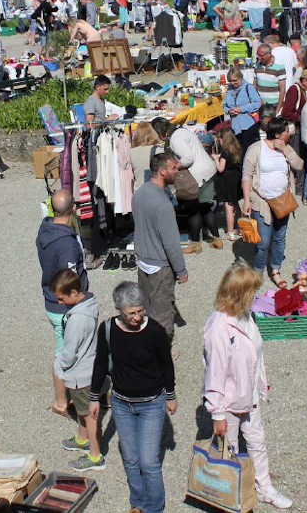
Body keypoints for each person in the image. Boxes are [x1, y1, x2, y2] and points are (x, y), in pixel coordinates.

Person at [202, 262, 294, 510]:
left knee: (257, 442)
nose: (256, 296)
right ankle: (230, 498)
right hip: (230, 403)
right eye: (252, 291)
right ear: (239, 294)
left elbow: (254, 353)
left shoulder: (244, 315)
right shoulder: (219, 328)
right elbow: (215, 376)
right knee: (229, 453)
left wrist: (260, 382)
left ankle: (264, 488)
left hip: (249, 395)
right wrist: (217, 414)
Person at [89, 282, 176, 513]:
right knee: (130, 458)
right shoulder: (107, 330)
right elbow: (99, 363)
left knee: (149, 462)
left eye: (140, 311)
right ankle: (137, 503)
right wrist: (94, 397)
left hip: (151, 403)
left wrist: (171, 395)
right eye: (131, 313)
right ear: (119, 309)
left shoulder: (155, 331)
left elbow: (167, 365)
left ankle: (154, 508)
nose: (137, 317)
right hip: (121, 403)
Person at [38, 190, 89, 417]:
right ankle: (61, 402)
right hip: (64, 307)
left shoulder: (45, 229)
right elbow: (70, 282)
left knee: (68, 350)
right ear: (74, 210)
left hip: (51, 300)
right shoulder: (66, 245)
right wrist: (82, 301)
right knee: (65, 354)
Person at [51, 269, 105, 472]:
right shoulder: (89, 304)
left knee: (89, 415)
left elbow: (70, 351)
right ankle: (82, 439)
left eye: (61, 298)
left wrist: (59, 365)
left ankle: (95, 455)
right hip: (88, 368)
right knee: (82, 410)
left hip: (81, 374)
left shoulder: (77, 320)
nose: (59, 302)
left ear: (74, 293)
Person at [132, 153, 189, 340]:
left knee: (146, 307)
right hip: (160, 266)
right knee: (163, 312)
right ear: (163, 171)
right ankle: (161, 352)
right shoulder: (163, 204)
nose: (177, 170)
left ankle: (145, 342)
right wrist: (181, 270)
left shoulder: (140, 193)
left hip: (142, 261)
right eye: (173, 168)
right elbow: (171, 242)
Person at [242, 118, 304, 287]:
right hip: (262, 201)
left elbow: (299, 165)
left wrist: (286, 150)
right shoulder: (256, 149)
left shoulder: (285, 148)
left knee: (279, 237)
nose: (289, 133)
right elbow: (246, 175)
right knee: (262, 242)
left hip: (283, 200)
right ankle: (258, 271)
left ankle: (275, 269)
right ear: (277, 133)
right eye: (286, 131)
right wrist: (247, 200)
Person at [163, 118, 220, 254]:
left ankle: (195, 244)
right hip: (207, 170)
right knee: (206, 208)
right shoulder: (182, 131)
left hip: (198, 175)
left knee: (193, 210)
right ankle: (217, 239)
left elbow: (188, 158)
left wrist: (174, 168)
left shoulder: (174, 139)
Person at [212, 128, 244, 248]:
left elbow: (220, 168)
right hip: (236, 177)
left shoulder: (225, 152)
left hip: (227, 179)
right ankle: (240, 228)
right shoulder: (237, 149)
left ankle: (230, 233)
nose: (219, 142)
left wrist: (216, 159)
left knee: (228, 206)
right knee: (236, 204)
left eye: (219, 140)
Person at [223, 67, 263, 155]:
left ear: (240, 78)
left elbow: (257, 103)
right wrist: (229, 110)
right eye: (230, 81)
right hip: (236, 126)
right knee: (240, 151)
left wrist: (241, 109)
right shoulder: (229, 89)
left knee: (249, 152)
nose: (233, 83)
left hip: (248, 125)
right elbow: (224, 105)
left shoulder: (248, 87)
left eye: (235, 80)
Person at [254, 43, 288, 108]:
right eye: (258, 55)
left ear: (268, 55)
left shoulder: (279, 66)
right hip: (261, 104)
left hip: (274, 104)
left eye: (261, 55)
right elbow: (255, 85)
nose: (259, 58)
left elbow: (282, 90)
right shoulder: (257, 65)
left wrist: (278, 108)